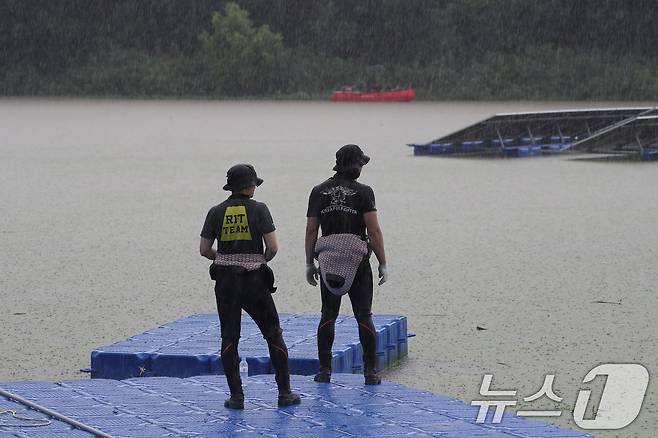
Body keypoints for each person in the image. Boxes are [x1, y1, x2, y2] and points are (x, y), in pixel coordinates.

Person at [200, 164, 301, 409]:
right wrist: (257, 260)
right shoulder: (260, 209)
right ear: (251, 186)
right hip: (255, 281)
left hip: (225, 282)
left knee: (229, 338)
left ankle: (236, 397)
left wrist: (225, 259)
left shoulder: (215, 212)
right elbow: (273, 248)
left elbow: (204, 250)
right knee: (273, 333)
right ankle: (284, 393)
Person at [304, 144, 388, 385]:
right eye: (361, 163)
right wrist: (383, 262)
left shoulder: (318, 191)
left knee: (328, 315)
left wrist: (310, 263)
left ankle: (324, 371)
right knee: (364, 315)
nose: (362, 167)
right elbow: (373, 230)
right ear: (356, 165)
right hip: (358, 261)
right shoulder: (364, 192)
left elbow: (311, 231)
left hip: (329, 262)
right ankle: (370, 372)